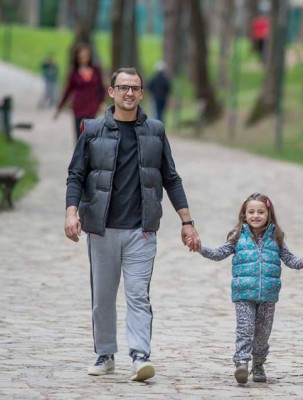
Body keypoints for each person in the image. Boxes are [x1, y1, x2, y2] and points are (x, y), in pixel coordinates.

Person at [64, 67, 201, 382]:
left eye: (135, 88)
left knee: (138, 294)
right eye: (123, 87)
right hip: (102, 229)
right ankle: (105, 354)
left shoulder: (155, 130)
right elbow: (76, 175)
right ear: (111, 92)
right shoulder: (92, 129)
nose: (129, 93)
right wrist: (72, 212)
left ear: (142, 93)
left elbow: (171, 178)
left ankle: (140, 356)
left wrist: (187, 222)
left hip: (142, 230)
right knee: (103, 296)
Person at [193, 193, 303, 384]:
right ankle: (241, 362)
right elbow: (218, 254)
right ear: (244, 214)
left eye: (260, 212)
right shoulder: (237, 236)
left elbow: (290, 259)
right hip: (243, 294)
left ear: (268, 214)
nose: (255, 216)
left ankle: (258, 364)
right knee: (245, 328)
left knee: (263, 333)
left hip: (268, 295)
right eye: (251, 212)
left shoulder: (276, 237)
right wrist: (200, 247)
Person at [55, 43, 105, 143]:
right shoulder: (74, 72)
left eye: (86, 56)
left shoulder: (96, 70)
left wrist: (102, 102)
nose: (84, 59)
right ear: (77, 58)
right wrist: (60, 107)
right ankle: (79, 155)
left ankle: (90, 155)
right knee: (79, 134)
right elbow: (68, 90)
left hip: (92, 105)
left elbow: (101, 87)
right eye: (81, 57)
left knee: (91, 132)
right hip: (79, 106)